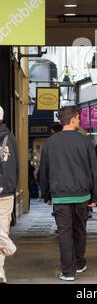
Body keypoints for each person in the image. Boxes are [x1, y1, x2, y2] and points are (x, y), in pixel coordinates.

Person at [40, 105, 97, 281]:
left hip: (60, 195)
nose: (79, 121)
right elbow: (94, 170)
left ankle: (68, 271)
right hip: (82, 194)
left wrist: (47, 194)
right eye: (78, 118)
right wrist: (95, 195)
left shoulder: (51, 142)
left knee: (64, 232)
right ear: (72, 119)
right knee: (80, 229)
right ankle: (80, 263)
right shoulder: (85, 141)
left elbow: (44, 171)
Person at [0, 106, 19, 284]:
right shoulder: (10, 137)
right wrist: (13, 186)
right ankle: (0, 269)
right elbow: (16, 165)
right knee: (3, 227)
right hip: (5, 190)